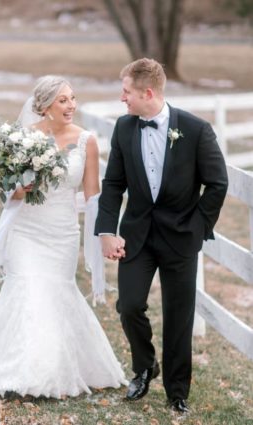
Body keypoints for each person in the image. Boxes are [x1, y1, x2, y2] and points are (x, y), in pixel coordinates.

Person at [0, 75, 127, 398]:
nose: (71, 106)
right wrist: (20, 190)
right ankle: (18, 371)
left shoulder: (86, 141)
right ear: (44, 106)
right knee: (28, 288)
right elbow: (8, 194)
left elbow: (92, 196)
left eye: (73, 99)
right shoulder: (22, 139)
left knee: (53, 292)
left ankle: (50, 367)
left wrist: (106, 234)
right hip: (26, 230)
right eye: (63, 100)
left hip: (62, 233)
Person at [95, 58, 228, 414]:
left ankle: (177, 390)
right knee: (129, 305)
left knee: (179, 314)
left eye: (126, 92)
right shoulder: (124, 128)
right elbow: (113, 184)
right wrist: (107, 230)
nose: (122, 99)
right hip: (136, 235)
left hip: (181, 237)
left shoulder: (196, 130)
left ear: (147, 92)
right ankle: (144, 366)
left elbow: (217, 183)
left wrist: (197, 227)